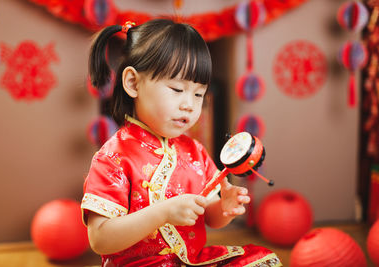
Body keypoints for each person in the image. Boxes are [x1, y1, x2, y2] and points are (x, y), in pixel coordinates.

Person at [81, 19, 282, 267]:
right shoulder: (112, 157)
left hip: (190, 261)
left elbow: (209, 215)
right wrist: (162, 213)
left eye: (198, 94)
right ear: (133, 83)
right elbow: (100, 239)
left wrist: (224, 208)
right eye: (177, 89)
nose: (189, 104)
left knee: (260, 260)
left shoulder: (194, 151)